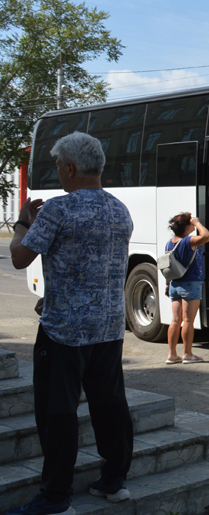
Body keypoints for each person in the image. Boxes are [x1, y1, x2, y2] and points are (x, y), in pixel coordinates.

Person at [7, 132, 134, 515]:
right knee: (110, 405)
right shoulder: (119, 209)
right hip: (109, 328)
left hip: (63, 332)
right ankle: (114, 481)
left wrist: (22, 222)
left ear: (71, 168)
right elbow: (93, 265)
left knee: (57, 411)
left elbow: (18, 257)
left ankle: (55, 497)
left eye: (60, 166)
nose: (60, 173)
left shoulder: (58, 210)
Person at [164, 212, 209, 365]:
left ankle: (171, 355)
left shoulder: (170, 243)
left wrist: (167, 284)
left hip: (174, 285)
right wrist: (198, 223)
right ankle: (187, 354)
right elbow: (207, 236)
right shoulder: (188, 241)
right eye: (190, 224)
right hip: (190, 284)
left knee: (175, 320)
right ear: (186, 227)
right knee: (188, 321)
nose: (193, 225)